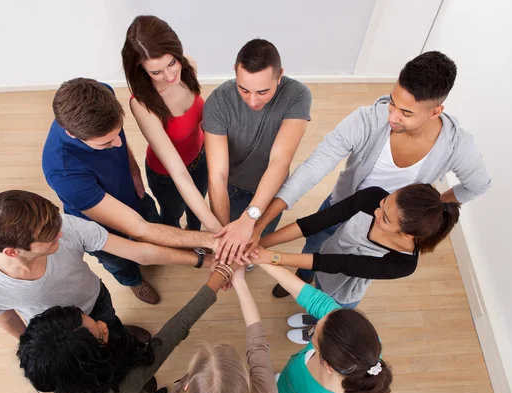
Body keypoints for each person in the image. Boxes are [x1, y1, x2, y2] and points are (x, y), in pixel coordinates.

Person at [246, 51, 490, 294]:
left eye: (406, 113)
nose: (392, 117)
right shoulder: (366, 120)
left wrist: (432, 207)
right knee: (315, 245)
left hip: (385, 229)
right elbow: (313, 168)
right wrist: (259, 227)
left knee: (339, 273)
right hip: (341, 206)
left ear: (435, 111)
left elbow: (478, 186)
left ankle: (315, 289)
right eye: (393, 102)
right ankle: (303, 276)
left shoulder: (458, 146)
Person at [42, 78, 216, 304]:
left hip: (133, 195)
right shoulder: (63, 172)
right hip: (99, 226)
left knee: (157, 229)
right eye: (105, 144)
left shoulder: (102, 93)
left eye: (118, 134)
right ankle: (134, 282)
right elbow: (139, 229)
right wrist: (212, 243)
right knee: (119, 262)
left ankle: (159, 255)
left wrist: (133, 170)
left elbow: (119, 144)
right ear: (74, 135)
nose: (117, 143)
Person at [0, 190, 214, 340]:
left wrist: (201, 260)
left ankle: (118, 335)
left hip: (96, 300)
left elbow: (139, 253)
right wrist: (36, 347)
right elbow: (8, 320)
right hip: (61, 333)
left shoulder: (64, 225)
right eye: (49, 239)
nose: (61, 236)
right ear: (12, 252)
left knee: (112, 325)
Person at [17, 263, 237, 393]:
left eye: (90, 318)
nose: (104, 324)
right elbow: (177, 327)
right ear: (94, 361)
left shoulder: (58, 375)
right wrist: (219, 276)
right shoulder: (132, 379)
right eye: (100, 334)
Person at [253, 184, 460, 343]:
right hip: (324, 260)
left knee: (331, 317)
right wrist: (259, 243)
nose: (376, 213)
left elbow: (339, 264)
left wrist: (271, 257)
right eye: (384, 203)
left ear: (407, 235)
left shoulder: (402, 264)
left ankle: (315, 330)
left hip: (343, 288)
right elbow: (314, 223)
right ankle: (313, 318)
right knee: (317, 292)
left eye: (385, 219)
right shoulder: (372, 197)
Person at [258, 263, 392, 393]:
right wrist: (261, 258)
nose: (319, 317)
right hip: (289, 384)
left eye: (315, 332)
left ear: (327, 364)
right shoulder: (363, 344)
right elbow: (313, 299)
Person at [204, 38, 312, 266]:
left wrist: (251, 216)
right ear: (235, 71)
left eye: (263, 92)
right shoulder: (217, 101)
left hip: (271, 190)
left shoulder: (297, 95)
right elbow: (217, 176)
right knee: (232, 244)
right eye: (244, 89)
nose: (253, 100)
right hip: (230, 190)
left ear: (280, 75)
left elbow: (279, 162)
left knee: (253, 247)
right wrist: (226, 239)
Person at [147, 267, 277, 393]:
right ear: (246, 389)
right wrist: (239, 281)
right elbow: (258, 344)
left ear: (186, 387)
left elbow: (258, 343)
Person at [122, 15, 221, 233]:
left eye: (172, 63)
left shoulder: (188, 67)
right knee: (172, 215)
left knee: (196, 212)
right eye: (156, 72)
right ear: (140, 70)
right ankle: (181, 244)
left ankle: (194, 235)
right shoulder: (142, 104)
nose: (169, 75)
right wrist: (217, 229)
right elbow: (179, 173)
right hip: (167, 176)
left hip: (200, 158)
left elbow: (202, 121)